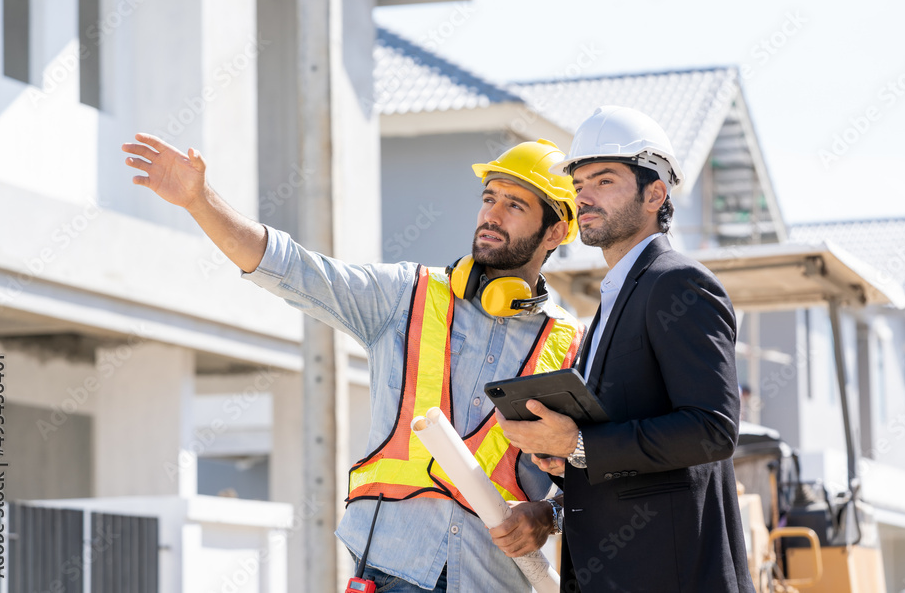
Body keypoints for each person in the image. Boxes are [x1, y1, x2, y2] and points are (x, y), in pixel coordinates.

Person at [123, 134, 584, 592]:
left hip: (493, 582)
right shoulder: (406, 295)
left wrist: (551, 515)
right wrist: (200, 201)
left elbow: (601, 466)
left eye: (515, 206)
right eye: (489, 198)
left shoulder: (571, 345)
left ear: (555, 231)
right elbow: (292, 269)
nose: (491, 215)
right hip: (392, 572)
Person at [495, 106, 755, 592]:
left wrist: (577, 444)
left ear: (655, 193)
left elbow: (712, 429)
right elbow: (628, 457)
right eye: (578, 186)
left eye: (605, 180)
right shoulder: (614, 300)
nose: (584, 197)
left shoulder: (679, 283)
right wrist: (561, 483)